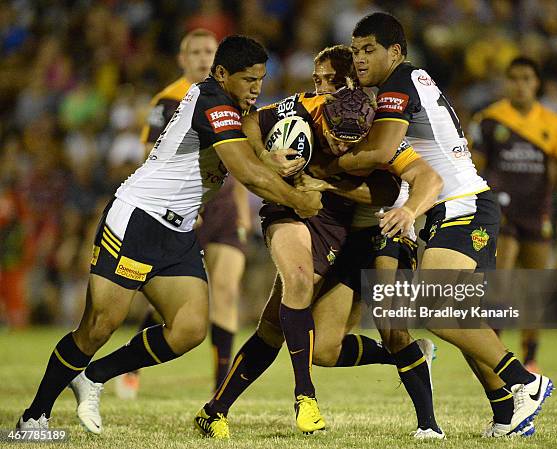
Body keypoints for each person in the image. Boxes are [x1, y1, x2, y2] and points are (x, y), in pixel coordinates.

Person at [16, 35, 322, 433]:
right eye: (248, 79)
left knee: (190, 328)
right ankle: (33, 418)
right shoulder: (211, 100)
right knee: (99, 326)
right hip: (138, 219)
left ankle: (93, 376)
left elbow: (256, 155)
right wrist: (299, 201)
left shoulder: (234, 106)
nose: (256, 88)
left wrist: (272, 158)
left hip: (177, 229)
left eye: (261, 79)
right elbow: (247, 174)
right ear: (222, 74)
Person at [309, 12, 553, 437]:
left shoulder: (398, 84)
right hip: (454, 208)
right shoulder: (410, 81)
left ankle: (524, 382)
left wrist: (329, 167)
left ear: (395, 52)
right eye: (356, 50)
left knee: (435, 311)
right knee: (461, 319)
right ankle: (506, 413)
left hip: (462, 206)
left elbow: (383, 149)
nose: (360, 59)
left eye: (369, 50)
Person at [194, 45, 444, 439]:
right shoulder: (304, 109)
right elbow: (253, 123)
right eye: (318, 80)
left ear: (354, 84)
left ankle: (214, 411)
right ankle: (305, 397)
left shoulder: (378, 124)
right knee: (297, 284)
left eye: (332, 80)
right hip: (297, 211)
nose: (322, 88)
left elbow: (387, 188)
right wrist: (266, 157)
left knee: (316, 343)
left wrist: (334, 182)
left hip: (359, 230)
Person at [116, 28, 249, 398]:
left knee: (225, 289)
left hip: (220, 211)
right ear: (182, 59)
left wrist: (241, 210)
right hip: (182, 211)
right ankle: (132, 365)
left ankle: (220, 386)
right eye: (196, 52)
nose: (204, 58)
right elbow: (151, 159)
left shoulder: (232, 96)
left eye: (210, 51)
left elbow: (235, 160)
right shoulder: (169, 101)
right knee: (169, 305)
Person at [471, 57, 557, 373]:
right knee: (500, 280)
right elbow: (475, 167)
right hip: (500, 213)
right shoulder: (489, 120)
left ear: (536, 83)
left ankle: (530, 357)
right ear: (506, 82)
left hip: (537, 212)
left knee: (533, 288)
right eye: (514, 78)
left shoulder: (554, 123)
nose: (520, 84)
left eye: (526, 78)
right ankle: (495, 355)